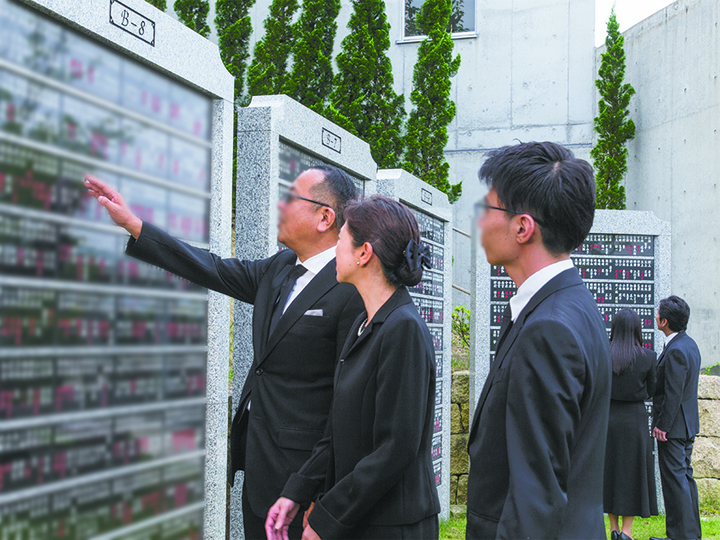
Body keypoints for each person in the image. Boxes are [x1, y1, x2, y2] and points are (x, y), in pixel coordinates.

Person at [83, 165, 364, 540]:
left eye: (291, 198)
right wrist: (135, 225)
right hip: (259, 464)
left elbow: (348, 403)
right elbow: (212, 268)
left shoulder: (351, 287)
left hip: (307, 477)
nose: (279, 205)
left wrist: (326, 491)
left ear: (324, 217)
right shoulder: (279, 269)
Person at [265, 195, 441, 540]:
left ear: (364, 253)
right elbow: (340, 429)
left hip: (392, 527)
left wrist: (326, 519)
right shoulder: (365, 322)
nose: (334, 251)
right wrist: (297, 491)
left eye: (341, 241)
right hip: (361, 520)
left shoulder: (402, 328)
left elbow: (394, 448)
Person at [465, 141, 611, 539]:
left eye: (487, 208)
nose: (479, 220)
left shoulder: (550, 328)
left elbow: (535, 497)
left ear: (522, 227)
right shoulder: (573, 304)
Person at [603, 308, 658, 540]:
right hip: (635, 420)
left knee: (609, 471)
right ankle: (626, 532)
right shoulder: (648, 357)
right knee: (632, 473)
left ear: (614, 329)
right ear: (637, 329)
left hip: (607, 418)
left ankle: (613, 528)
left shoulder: (603, 353)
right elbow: (652, 391)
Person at [650, 295, 702, 540]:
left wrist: (662, 426)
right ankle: (689, 534)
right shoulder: (688, 344)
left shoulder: (677, 350)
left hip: (674, 428)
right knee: (685, 480)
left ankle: (679, 536)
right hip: (686, 425)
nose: (655, 315)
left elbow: (673, 392)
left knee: (675, 483)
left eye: (658, 312)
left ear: (665, 321)